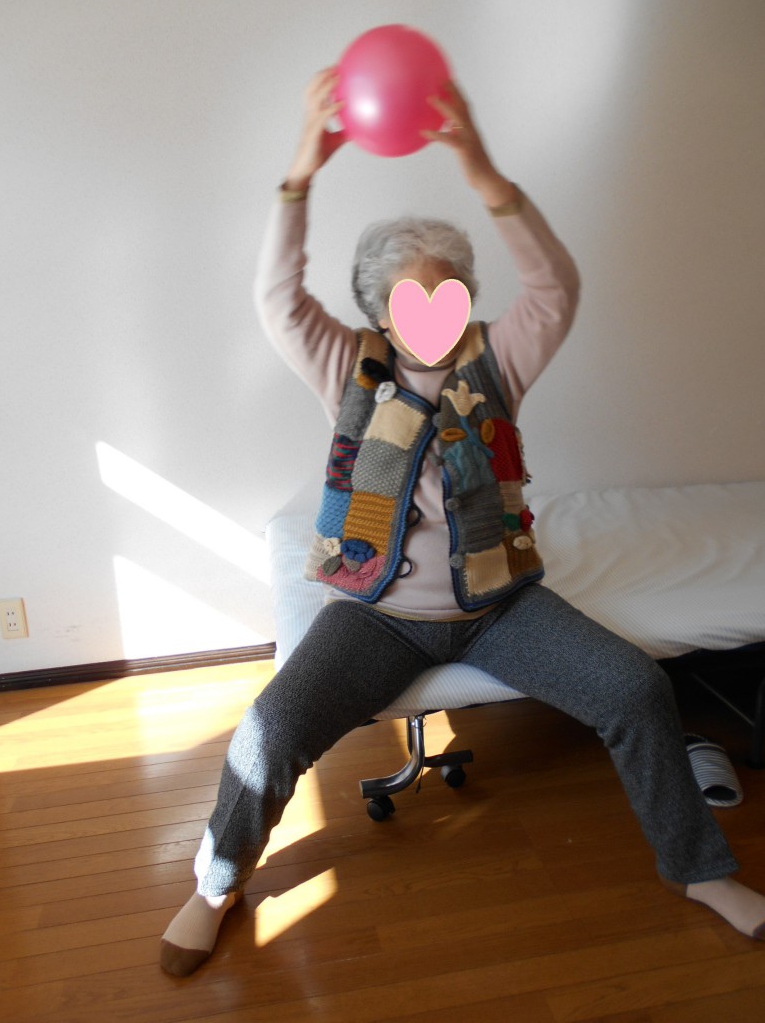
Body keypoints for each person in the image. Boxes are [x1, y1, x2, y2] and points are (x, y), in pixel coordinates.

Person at [160, 68, 765, 977]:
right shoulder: (347, 368)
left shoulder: (498, 365)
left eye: (447, 295)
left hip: (500, 607)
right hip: (375, 616)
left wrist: (484, 174)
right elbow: (278, 299)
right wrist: (300, 175)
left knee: (636, 688)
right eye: (408, 301)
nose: (433, 318)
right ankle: (216, 884)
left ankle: (701, 871)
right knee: (268, 733)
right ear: (377, 311)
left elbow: (556, 288)